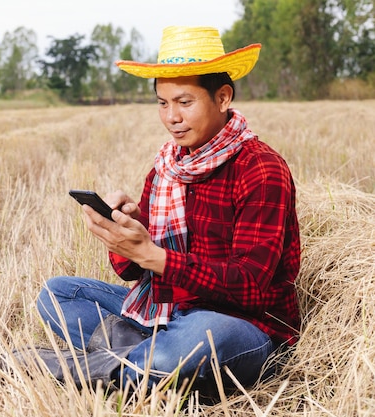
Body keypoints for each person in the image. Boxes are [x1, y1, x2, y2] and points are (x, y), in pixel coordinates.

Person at [31, 26, 301, 394]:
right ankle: (144, 363)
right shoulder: (166, 170)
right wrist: (126, 233)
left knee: (199, 339)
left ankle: (97, 366)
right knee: (56, 294)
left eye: (184, 102)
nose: (171, 116)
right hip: (166, 311)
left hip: (242, 326)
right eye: (162, 102)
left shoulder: (261, 169)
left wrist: (156, 256)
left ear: (222, 98)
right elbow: (131, 274)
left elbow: (251, 285)